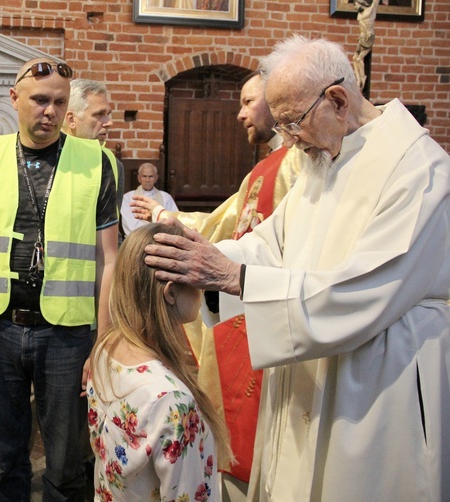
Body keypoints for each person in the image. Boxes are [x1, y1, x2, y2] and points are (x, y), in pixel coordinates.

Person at [144, 35, 450, 500]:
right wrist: (204, 262)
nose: (286, 139)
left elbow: (362, 292)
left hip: (375, 388)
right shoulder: (323, 161)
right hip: (307, 376)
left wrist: (231, 276)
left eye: (291, 122)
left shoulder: (419, 173)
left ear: (338, 100)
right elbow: (269, 246)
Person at [0, 57, 119, 500]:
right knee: (6, 462)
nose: (50, 111)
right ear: (14, 98)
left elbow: (109, 261)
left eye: (59, 102)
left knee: (65, 466)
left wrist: (105, 342)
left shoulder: (98, 163)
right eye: (40, 100)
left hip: (68, 333)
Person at [130, 71, 302, 500]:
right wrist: (164, 219)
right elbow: (221, 228)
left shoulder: (293, 167)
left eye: (248, 101)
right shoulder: (267, 168)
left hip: (274, 314)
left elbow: (221, 235)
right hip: (248, 305)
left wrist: (166, 221)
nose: (240, 113)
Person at [87, 223, 230, 502]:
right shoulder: (171, 401)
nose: (204, 286)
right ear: (171, 292)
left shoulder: (105, 348)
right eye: (197, 278)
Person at [62, 78, 124, 205]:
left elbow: (112, 220)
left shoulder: (113, 164)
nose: (109, 123)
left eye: (108, 114)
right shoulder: (45, 158)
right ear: (71, 119)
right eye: (99, 114)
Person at [120, 162, 177, 236]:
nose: (147, 180)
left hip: (161, 238)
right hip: (137, 239)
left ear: (156, 178)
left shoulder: (166, 197)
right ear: (139, 178)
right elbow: (130, 225)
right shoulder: (128, 198)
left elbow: (174, 219)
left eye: (151, 176)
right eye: (144, 176)